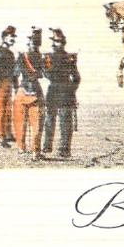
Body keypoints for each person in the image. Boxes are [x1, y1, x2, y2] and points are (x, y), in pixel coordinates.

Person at [42, 28, 80, 159]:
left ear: (63, 43)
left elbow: (76, 77)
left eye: (57, 41)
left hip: (65, 92)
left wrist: (71, 90)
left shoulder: (69, 58)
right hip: (54, 91)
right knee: (49, 121)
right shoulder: (49, 57)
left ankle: (65, 149)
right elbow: (45, 73)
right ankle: (47, 146)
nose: (54, 44)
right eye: (53, 41)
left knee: (65, 123)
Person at [14, 28, 46, 160]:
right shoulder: (42, 57)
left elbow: (15, 75)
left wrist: (17, 88)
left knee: (20, 122)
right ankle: (36, 152)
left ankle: (21, 148)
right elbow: (44, 74)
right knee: (37, 124)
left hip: (22, 91)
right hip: (36, 92)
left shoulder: (22, 56)